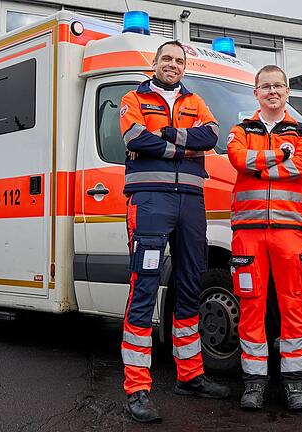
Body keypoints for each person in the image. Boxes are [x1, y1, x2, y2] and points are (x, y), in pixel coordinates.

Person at [118, 40, 229, 423]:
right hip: (150, 201)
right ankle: (137, 388)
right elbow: (134, 138)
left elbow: (212, 136)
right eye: (167, 58)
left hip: (191, 203)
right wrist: (183, 146)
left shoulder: (196, 101)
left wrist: (167, 138)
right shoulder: (133, 97)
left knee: (189, 284)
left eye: (180, 61)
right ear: (155, 63)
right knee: (144, 285)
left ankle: (190, 374)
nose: (173, 65)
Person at [226, 65, 302, 411]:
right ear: (256, 93)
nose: (272, 92)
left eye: (278, 86)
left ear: (287, 92)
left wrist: (260, 165)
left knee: (293, 306)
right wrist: (281, 155)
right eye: (265, 86)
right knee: (251, 308)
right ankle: (254, 384)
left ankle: (296, 385)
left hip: (289, 234)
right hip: (248, 236)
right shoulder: (240, 129)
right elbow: (238, 158)